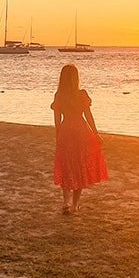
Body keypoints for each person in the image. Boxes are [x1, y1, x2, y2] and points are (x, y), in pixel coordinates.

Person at [51, 63, 108, 214]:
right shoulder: (81, 95)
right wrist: (95, 133)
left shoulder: (59, 96)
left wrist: (58, 136)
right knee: (80, 167)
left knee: (66, 166)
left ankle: (65, 202)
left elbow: (57, 119)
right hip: (80, 131)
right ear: (76, 78)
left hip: (66, 130)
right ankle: (75, 204)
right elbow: (88, 116)